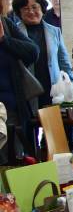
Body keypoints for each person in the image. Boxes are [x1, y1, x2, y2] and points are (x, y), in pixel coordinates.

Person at [12, 0, 73, 106]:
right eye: (25, 8)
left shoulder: (54, 31)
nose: (31, 12)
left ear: (42, 7)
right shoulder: (13, 33)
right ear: (19, 12)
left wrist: (71, 85)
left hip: (53, 90)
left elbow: (64, 62)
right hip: (26, 91)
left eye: (34, 7)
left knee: (54, 123)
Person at [0, 9, 39, 158]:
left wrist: (5, 39)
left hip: (10, 110)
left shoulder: (5, 24)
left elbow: (33, 52)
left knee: (12, 162)